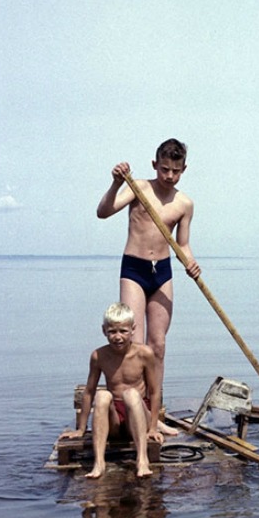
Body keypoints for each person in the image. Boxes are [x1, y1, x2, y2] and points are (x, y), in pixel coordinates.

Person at [97, 138, 202, 392]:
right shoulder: (139, 187)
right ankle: (134, 407)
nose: (169, 176)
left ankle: (156, 411)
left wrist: (191, 263)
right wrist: (116, 183)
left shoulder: (184, 204)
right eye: (164, 169)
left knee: (158, 345)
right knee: (134, 343)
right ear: (155, 165)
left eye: (176, 171)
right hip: (134, 269)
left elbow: (183, 244)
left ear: (184, 169)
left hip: (163, 272)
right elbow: (103, 211)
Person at [62, 302, 164, 479]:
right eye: (112, 332)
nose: (118, 337)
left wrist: (154, 427)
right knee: (102, 395)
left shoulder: (144, 353)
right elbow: (89, 391)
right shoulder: (99, 356)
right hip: (114, 421)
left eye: (123, 331)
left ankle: (142, 460)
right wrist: (81, 428)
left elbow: (154, 392)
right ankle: (99, 463)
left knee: (131, 393)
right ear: (104, 331)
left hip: (138, 415)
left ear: (133, 329)